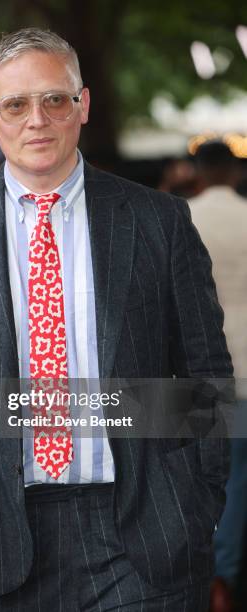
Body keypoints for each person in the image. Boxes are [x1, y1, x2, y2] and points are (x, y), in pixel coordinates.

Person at [0, 28, 233, 612]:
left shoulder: (159, 220)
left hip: (140, 533)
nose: (37, 120)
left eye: (55, 99)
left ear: (83, 105)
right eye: (16, 104)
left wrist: (196, 503)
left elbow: (205, 374)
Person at [189, 141, 247, 611]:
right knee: (238, 477)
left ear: (198, 172)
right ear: (234, 171)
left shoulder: (180, 217)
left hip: (194, 369)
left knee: (196, 473)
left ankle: (203, 572)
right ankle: (223, 576)